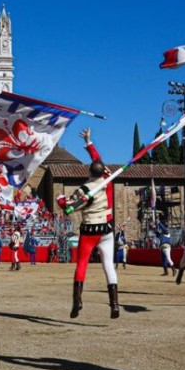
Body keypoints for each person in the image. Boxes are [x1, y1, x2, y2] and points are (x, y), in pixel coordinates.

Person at [56, 129, 120, 319]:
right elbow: (98, 160)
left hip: (90, 230)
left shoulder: (84, 190)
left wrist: (60, 199)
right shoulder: (108, 180)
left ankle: (77, 301)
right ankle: (114, 304)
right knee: (108, 265)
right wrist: (89, 143)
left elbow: (69, 206)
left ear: (89, 171)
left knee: (82, 264)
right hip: (107, 229)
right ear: (103, 171)